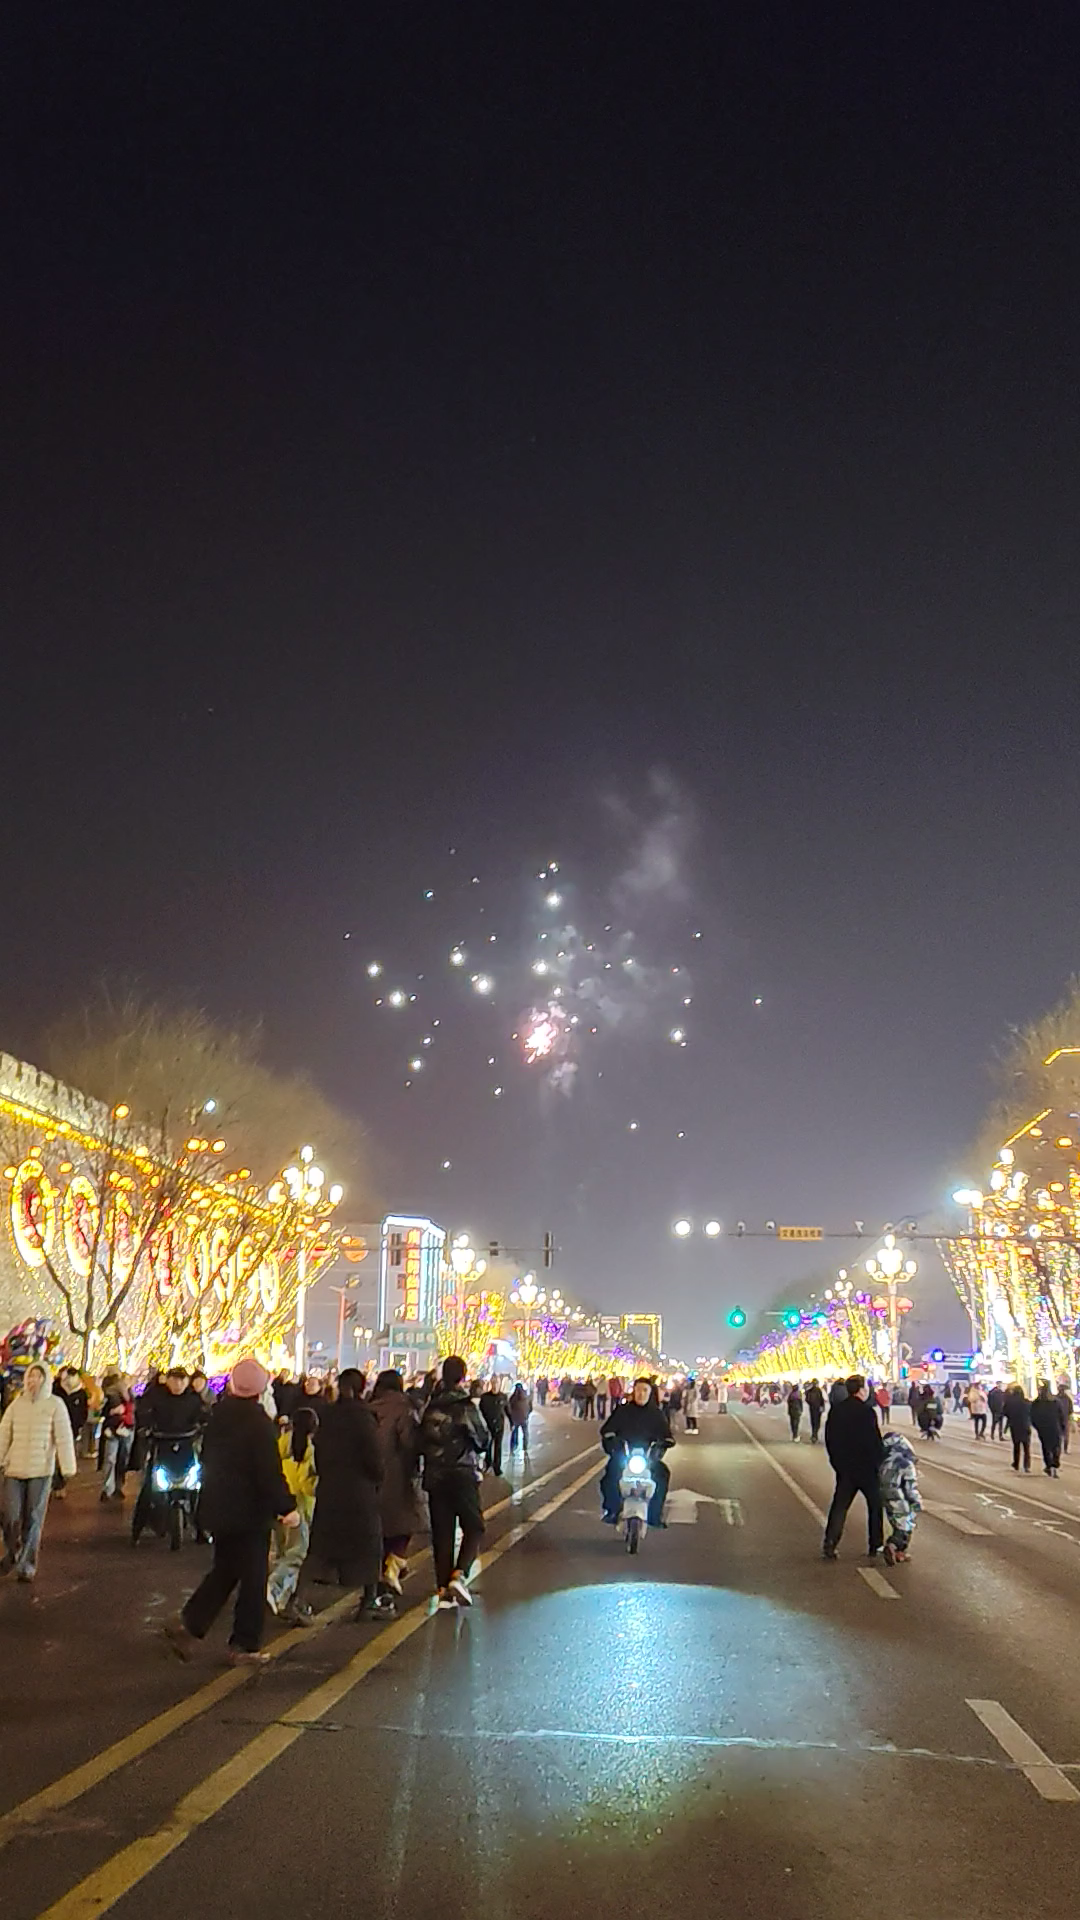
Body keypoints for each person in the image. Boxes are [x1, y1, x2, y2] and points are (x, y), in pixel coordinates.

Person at [165, 1358, 299, 1664]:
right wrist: (286, 1507)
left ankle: (189, 1624)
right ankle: (244, 1644)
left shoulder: (218, 1417)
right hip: (250, 1513)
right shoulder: (260, 1425)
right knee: (253, 1579)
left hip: (219, 1508)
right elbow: (268, 1473)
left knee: (226, 1570)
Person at [306, 1367, 387, 1619]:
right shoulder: (364, 1417)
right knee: (369, 1545)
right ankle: (369, 1601)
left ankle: (298, 1599)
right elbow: (374, 1456)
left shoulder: (327, 1415)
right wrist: (377, 1478)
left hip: (330, 1488)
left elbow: (318, 1450)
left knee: (321, 1546)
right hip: (359, 1490)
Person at [417, 1356, 490, 1609]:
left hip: (436, 1475)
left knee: (442, 1533)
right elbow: (482, 1439)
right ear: (463, 1376)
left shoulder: (430, 1407)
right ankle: (458, 1575)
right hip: (462, 1474)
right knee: (474, 1526)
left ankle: (442, 1589)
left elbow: (420, 1441)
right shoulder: (465, 1406)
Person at [0, 1362, 77, 1581]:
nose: (33, 1380)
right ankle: (14, 1551)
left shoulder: (55, 1405)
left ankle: (27, 1566)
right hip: (14, 1469)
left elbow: (63, 1437)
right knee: (10, 1516)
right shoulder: (17, 1404)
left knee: (33, 1518)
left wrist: (67, 1467)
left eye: (38, 1376)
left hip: (40, 1471)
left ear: (45, 1379)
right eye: (30, 1376)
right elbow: (4, 1434)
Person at [369, 1368, 422, 1599]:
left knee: (379, 1527)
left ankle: (380, 1579)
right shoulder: (405, 1408)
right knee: (404, 1525)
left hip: (371, 1476)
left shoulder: (369, 1408)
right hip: (397, 1474)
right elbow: (410, 1443)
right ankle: (392, 1567)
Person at [822, 1375, 884, 1560]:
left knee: (840, 1506)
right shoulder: (867, 1412)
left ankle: (830, 1543)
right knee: (875, 1506)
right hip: (866, 1469)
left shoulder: (837, 1411)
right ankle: (875, 1544)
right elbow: (874, 1442)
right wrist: (878, 1463)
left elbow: (830, 1439)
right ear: (861, 1390)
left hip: (845, 1468)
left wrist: (837, 1463)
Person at [598, 1378, 673, 1527]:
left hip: (648, 1458)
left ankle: (654, 1515)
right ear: (633, 1391)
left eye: (645, 1390)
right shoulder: (622, 1411)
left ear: (650, 1393)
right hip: (624, 1456)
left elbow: (667, 1435)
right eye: (638, 1390)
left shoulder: (656, 1414)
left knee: (663, 1475)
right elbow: (607, 1430)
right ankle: (612, 1510)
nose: (641, 1394)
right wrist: (613, 1441)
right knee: (610, 1477)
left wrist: (662, 1444)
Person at [267, 1406, 318, 1624]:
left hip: (278, 1504)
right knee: (297, 1554)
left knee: (278, 1552)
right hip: (300, 1508)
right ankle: (273, 1588)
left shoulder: (281, 1444)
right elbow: (308, 1486)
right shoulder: (310, 1450)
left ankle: (281, 1602)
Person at [879, 1428, 922, 1564]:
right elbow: (910, 1487)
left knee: (896, 1524)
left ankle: (898, 1552)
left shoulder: (884, 1463)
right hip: (901, 1500)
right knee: (906, 1527)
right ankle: (893, 1547)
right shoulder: (905, 1464)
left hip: (886, 1499)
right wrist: (916, 1502)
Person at [51, 1367, 88, 1493]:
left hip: (72, 1429)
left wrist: (79, 1425)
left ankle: (60, 1484)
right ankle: (54, 1483)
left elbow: (83, 1412)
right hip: (54, 1428)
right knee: (53, 1456)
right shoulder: (57, 1390)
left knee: (64, 1457)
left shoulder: (81, 1393)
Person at [98, 1372, 135, 1500]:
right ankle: (112, 1487)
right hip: (119, 1429)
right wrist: (112, 1411)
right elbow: (103, 1411)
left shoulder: (128, 1396)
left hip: (119, 1429)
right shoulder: (118, 1396)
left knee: (115, 1459)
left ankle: (112, 1487)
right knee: (116, 1458)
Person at [1031, 1381, 1066, 1478]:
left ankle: (1049, 1465)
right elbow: (1062, 1416)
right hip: (1055, 1428)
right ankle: (1055, 1464)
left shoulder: (1036, 1403)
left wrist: (1037, 1427)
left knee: (1046, 1448)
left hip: (1044, 1430)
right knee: (1056, 1448)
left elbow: (1032, 1417)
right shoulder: (1056, 1402)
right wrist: (1062, 1428)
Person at [478, 1379, 508, 1476]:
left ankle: (497, 1467)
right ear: (491, 1384)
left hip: (499, 1426)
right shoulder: (485, 1397)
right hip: (488, 1426)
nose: (495, 1386)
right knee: (488, 1446)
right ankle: (488, 1464)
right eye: (493, 1384)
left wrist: (512, 1422)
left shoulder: (503, 1397)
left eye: (497, 1384)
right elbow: (480, 1411)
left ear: (499, 1385)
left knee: (498, 1447)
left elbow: (507, 1410)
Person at [1003, 1383, 1032, 1473]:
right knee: (1026, 1447)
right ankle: (1026, 1465)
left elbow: (1005, 1412)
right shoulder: (1027, 1402)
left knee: (1016, 1446)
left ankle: (1016, 1464)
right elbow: (1031, 1413)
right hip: (1025, 1426)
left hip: (1014, 1426)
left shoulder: (1010, 1402)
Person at [507, 1382, 532, 1455]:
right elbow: (530, 1408)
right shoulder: (526, 1397)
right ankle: (525, 1447)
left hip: (515, 1419)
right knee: (525, 1432)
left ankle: (513, 1447)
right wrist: (526, 1414)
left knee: (514, 1433)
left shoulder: (512, 1398)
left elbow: (509, 1408)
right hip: (524, 1418)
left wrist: (511, 1415)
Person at [805, 1378, 825, 1444]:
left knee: (813, 1422)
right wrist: (822, 1406)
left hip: (812, 1408)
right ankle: (814, 1435)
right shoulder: (818, 1390)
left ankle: (814, 1435)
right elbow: (821, 1399)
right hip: (817, 1408)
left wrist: (811, 1404)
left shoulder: (809, 1391)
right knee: (817, 1422)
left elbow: (807, 1399)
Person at [1056, 1381, 1074, 1454]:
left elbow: (1070, 1409)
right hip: (1060, 1419)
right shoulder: (1058, 1399)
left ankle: (1064, 1449)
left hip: (1063, 1419)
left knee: (1064, 1436)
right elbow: (1070, 1410)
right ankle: (1061, 1449)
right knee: (1060, 1436)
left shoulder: (1066, 1399)